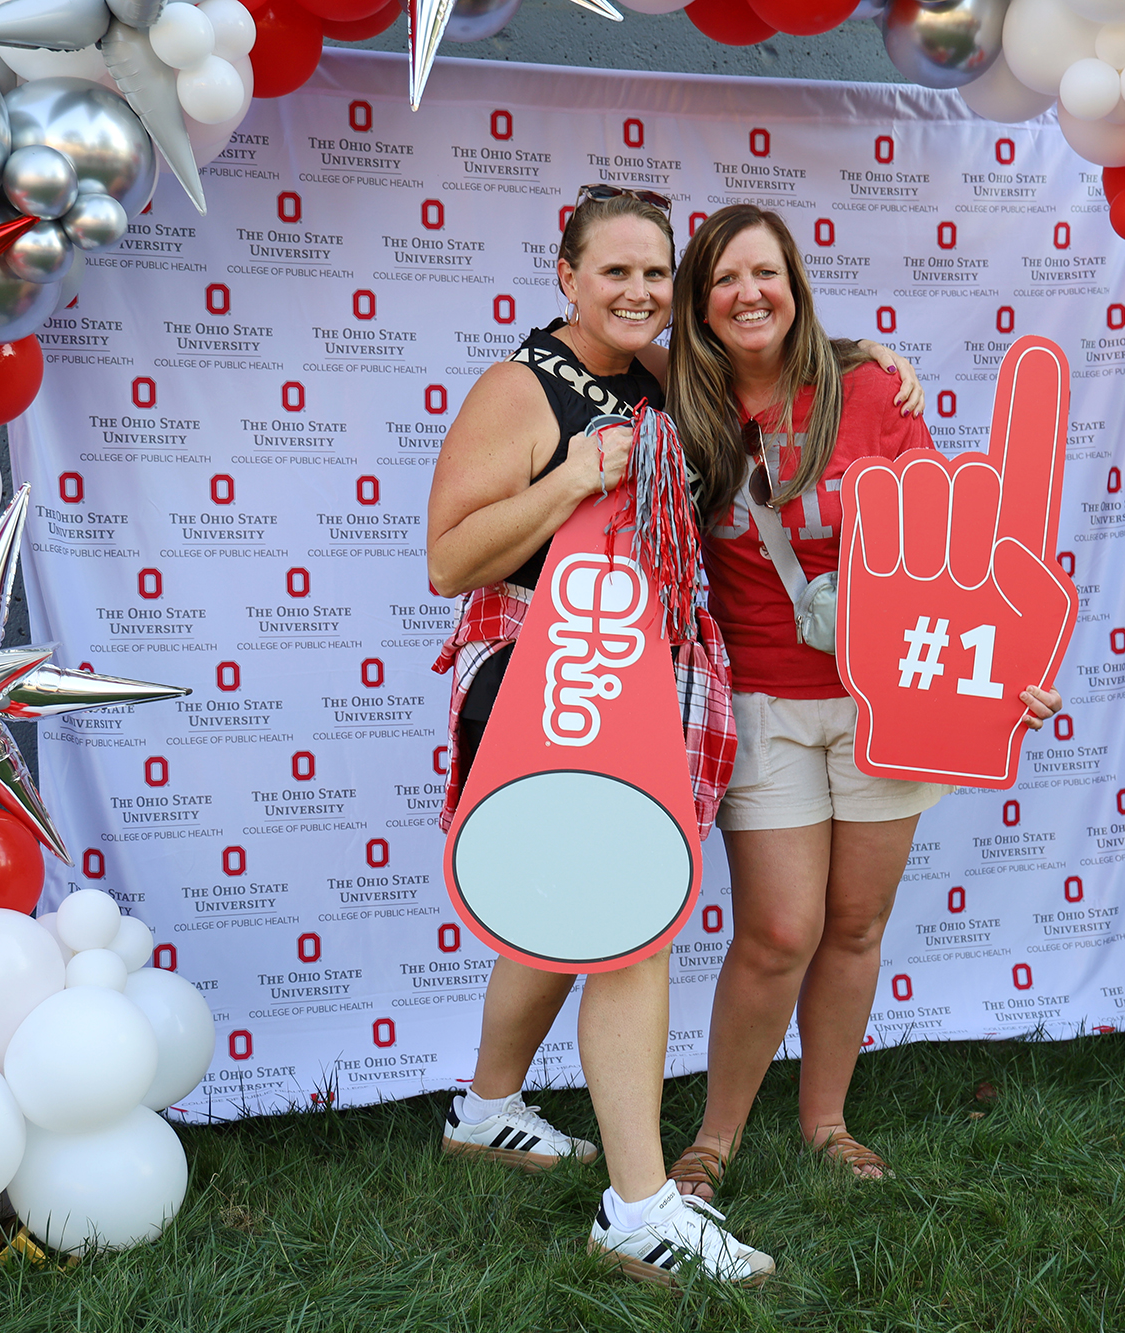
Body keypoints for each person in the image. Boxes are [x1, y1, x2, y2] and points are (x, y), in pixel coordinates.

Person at [424, 186, 923, 1285]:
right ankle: (641, 1205)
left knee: (578, 911)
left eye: (655, 274)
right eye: (616, 273)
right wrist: (567, 479)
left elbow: (767, 366)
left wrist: (860, 353)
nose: (640, 292)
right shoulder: (521, 387)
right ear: (566, 276)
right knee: (627, 919)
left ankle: (486, 1107)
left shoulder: (654, 375)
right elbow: (448, 559)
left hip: (625, 677)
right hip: (543, 675)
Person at [663, 203, 1062, 1199]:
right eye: (724, 280)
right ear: (699, 306)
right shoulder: (680, 411)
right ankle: (713, 1138)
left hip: (897, 696)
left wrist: (1001, 671)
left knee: (852, 923)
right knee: (779, 930)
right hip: (766, 703)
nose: (748, 293)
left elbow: (952, 552)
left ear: (794, 284)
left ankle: (825, 1122)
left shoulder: (872, 388)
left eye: (766, 273)